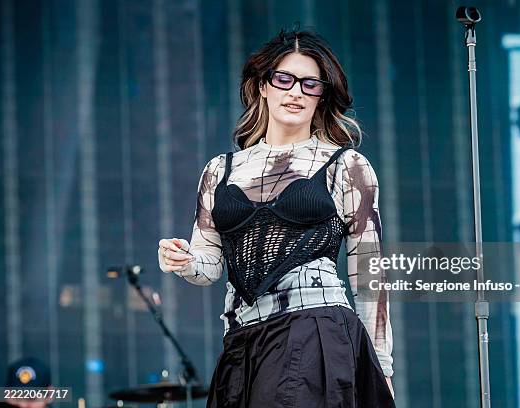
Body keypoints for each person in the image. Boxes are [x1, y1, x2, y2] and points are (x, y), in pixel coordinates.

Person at [158, 27, 395, 407]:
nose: (295, 92)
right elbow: (209, 267)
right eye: (284, 79)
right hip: (242, 341)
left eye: (310, 84)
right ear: (262, 85)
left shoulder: (345, 165)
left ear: (322, 96)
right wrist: (182, 259)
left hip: (314, 326)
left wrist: (380, 368)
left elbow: (369, 276)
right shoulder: (220, 170)